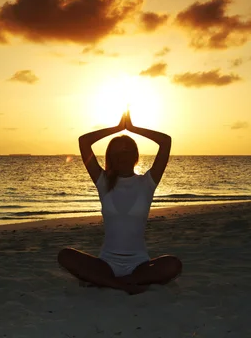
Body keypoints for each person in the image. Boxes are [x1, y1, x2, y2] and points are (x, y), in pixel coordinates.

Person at [57, 110, 182, 295]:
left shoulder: (147, 183)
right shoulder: (103, 182)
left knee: (173, 264)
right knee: (65, 255)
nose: (122, 155)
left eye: (127, 151)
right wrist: (116, 128)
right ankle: (122, 284)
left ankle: (112, 283)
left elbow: (165, 141)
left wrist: (132, 128)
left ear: (135, 156)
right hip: (106, 263)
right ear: (111, 157)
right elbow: (84, 141)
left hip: (140, 264)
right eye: (117, 152)